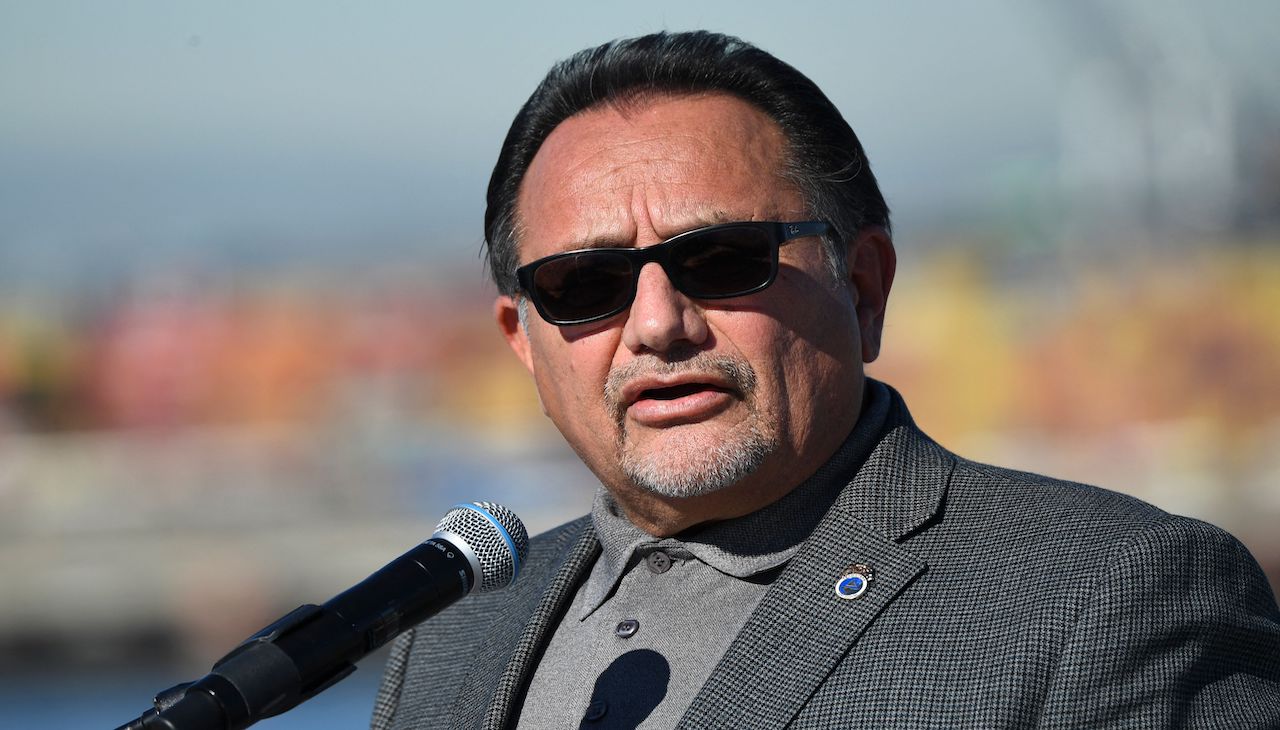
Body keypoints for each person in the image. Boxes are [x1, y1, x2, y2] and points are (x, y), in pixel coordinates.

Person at [372, 31, 1280, 728]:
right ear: (523, 339)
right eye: (585, 287)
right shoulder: (449, 634)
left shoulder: (1110, 593)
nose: (657, 325)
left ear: (866, 284)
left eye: (724, 259)